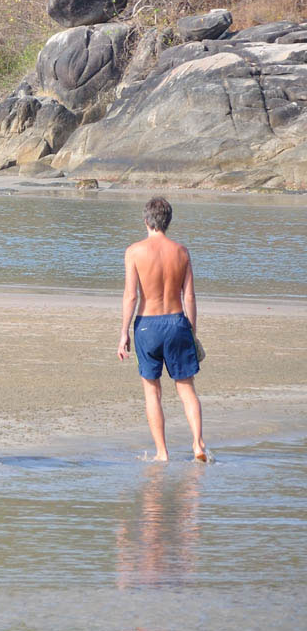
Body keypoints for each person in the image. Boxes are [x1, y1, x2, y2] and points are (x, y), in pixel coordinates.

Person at [117, 197, 206, 462]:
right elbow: (189, 297)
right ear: (168, 220)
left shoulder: (134, 251)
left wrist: (123, 333)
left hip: (148, 325)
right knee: (186, 388)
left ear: (146, 220)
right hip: (177, 321)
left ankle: (162, 452)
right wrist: (193, 331)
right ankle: (198, 444)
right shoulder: (181, 251)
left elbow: (130, 296)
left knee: (152, 390)